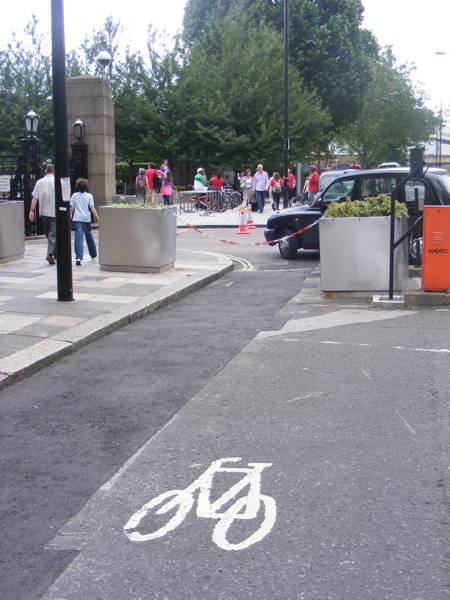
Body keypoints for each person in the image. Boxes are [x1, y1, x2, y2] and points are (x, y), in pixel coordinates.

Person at [29, 164, 56, 265]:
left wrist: (32, 211)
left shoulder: (39, 182)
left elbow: (35, 198)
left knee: (48, 233)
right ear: (54, 171)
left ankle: (50, 253)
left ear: (45, 171)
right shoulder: (57, 181)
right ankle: (52, 253)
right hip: (55, 212)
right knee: (52, 234)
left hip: (44, 212)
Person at [69, 178, 99, 266]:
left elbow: (71, 208)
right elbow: (92, 208)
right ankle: (93, 254)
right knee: (89, 236)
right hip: (86, 219)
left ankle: (78, 257)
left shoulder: (74, 195)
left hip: (77, 219)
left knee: (78, 238)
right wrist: (97, 217)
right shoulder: (89, 196)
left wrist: (70, 215)